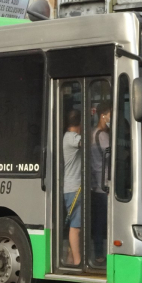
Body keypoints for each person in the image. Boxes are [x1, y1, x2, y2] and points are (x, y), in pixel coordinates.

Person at [90, 103, 110, 264]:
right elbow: (110, 155)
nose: (111, 118)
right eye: (110, 114)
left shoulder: (93, 133)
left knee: (98, 221)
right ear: (103, 115)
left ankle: (98, 253)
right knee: (102, 222)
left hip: (97, 183)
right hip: (104, 183)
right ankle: (100, 253)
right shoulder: (102, 135)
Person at [63, 110, 83, 267]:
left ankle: (72, 257)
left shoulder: (67, 137)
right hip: (73, 188)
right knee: (75, 227)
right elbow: (87, 142)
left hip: (72, 187)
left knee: (77, 225)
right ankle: (77, 261)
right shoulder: (71, 138)